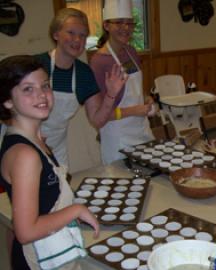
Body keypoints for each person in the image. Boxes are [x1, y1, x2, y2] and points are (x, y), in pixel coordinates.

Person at [0, 55, 99, 269]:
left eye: (45, 85)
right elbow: (25, 232)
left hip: (51, 248)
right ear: (7, 100)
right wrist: (76, 210)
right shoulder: (25, 155)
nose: (41, 95)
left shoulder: (34, 141)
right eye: (28, 89)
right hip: (36, 257)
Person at [36, 8, 127, 166]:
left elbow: (97, 120)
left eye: (83, 35)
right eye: (71, 32)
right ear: (56, 34)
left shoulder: (84, 74)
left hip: (56, 149)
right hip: (26, 144)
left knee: (60, 188)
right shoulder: (36, 65)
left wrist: (111, 94)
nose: (77, 40)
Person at [89, 0, 155, 165]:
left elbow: (137, 89)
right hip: (118, 138)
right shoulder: (99, 62)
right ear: (106, 25)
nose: (125, 28)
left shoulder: (130, 52)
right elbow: (100, 116)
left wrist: (146, 99)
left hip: (141, 130)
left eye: (129, 23)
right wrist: (135, 110)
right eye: (119, 22)